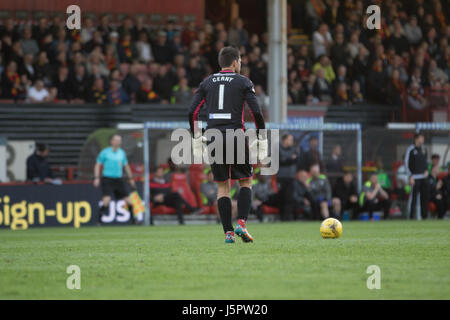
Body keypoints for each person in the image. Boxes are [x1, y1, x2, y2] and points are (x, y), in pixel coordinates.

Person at [188, 46, 267, 243]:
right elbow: (256, 112)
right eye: (240, 61)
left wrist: (196, 136)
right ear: (234, 62)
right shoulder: (243, 81)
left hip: (213, 136)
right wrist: (262, 135)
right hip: (236, 135)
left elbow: (192, 111)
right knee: (245, 181)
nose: (240, 64)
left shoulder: (207, 82)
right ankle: (241, 224)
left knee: (223, 187)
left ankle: (228, 233)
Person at [93, 134, 136, 225]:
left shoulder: (122, 153)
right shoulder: (105, 152)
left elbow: (126, 166)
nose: (118, 142)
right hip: (107, 178)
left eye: (119, 140)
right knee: (106, 199)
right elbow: (97, 164)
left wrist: (131, 178)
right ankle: (99, 220)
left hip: (118, 179)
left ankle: (134, 220)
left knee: (128, 200)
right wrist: (96, 177)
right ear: (111, 141)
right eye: (116, 140)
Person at [405, 132, 429, 219]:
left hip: (423, 177)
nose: (423, 139)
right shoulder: (411, 149)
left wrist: (426, 170)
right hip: (414, 178)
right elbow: (407, 163)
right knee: (413, 199)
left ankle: (424, 216)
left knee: (424, 197)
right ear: (416, 139)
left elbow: (425, 162)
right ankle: (411, 217)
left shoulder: (424, 149)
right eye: (421, 138)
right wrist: (410, 176)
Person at [277, 134, 298, 221]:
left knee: (289, 198)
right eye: (290, 139)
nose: (292, 142)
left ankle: (287, 218)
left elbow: (296, 158)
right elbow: (281, 160)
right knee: (281, 198)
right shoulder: (278, 149)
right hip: (281, 178)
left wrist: (288, 159)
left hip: (291, 178)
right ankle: (281, 217)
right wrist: (290, 159)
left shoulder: (294, 149)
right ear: (284, 140)